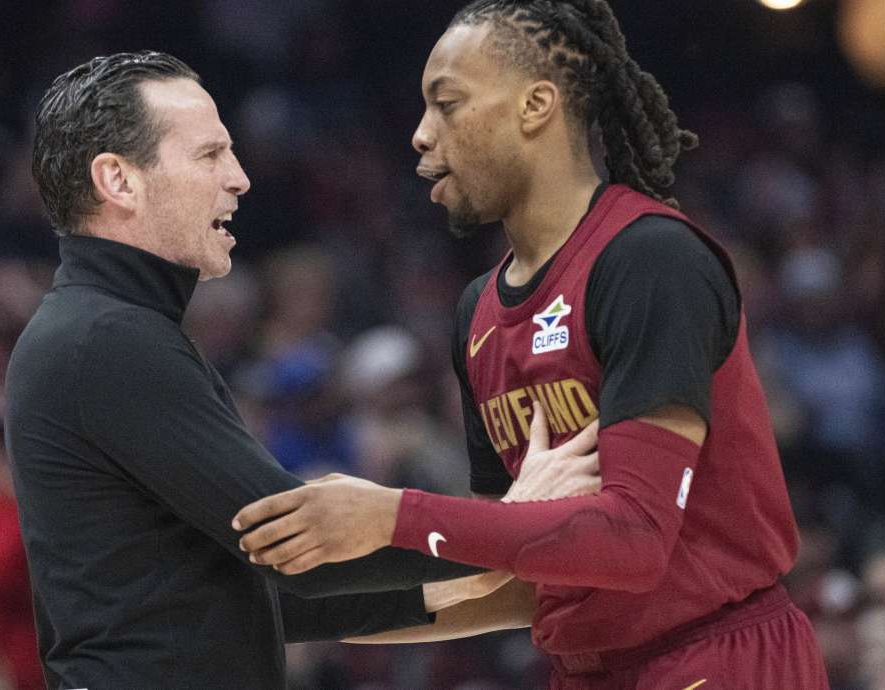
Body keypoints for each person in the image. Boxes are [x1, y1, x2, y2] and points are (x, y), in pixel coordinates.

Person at [234, 2, 829, 688]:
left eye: (447, 104)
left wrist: (389, 515)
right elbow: (518, 571)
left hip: (712, 656)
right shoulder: (476, 311)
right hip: (585, 669)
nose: (422, 136)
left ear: (536, 104)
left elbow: (633, 542)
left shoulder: (649, 261)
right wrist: (288, 619)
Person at [5, 51, 593, 689]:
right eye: (209, 155)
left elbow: (268, 601)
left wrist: (514, 594)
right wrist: (515, 521)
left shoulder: (104, 331)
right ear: (118, 180)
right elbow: (300, 554)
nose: (239, 178)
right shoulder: (108, 340)